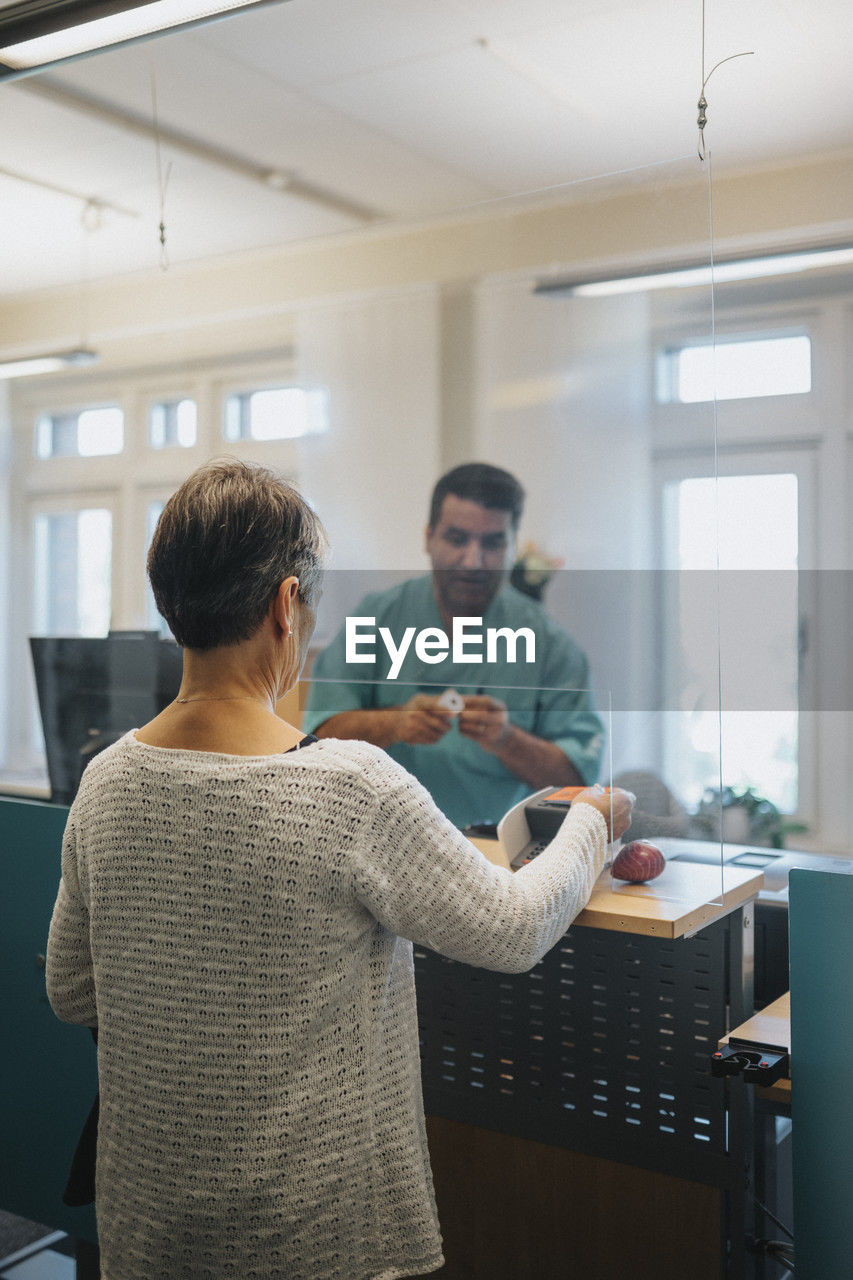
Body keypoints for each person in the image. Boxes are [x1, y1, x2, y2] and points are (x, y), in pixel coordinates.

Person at [45, 458, 633, 1280]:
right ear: (287, 605)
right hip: (312, 1234)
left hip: (149, 1225)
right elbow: (514, 927)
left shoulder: (106, 780)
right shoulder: (347, 787)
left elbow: (71, 988)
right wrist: (589, 823)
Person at [304, 462, 604, 829]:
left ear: (512, 547)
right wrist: (394, 723)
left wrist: (508, 740)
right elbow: (319, 741)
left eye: (493, 542)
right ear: (429, 537)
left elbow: (578, 781)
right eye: (457, 538)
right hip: (383, 846)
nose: (473, 561)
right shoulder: (375, 620)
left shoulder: (550, 645)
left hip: (497, 858)